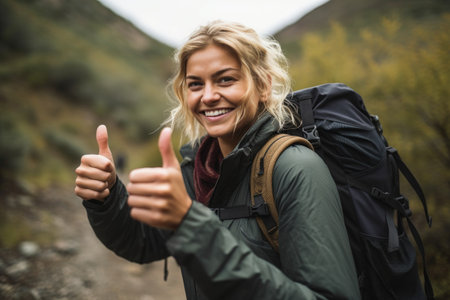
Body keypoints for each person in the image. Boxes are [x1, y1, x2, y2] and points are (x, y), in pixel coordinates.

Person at [75, 21, 361, 299]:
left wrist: (194, 229)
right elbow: (142, 243)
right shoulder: (199, 169)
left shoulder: (296, 168)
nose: (208, 96)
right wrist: (107, 195)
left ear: (263, 86)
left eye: (226, 79)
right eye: (195, 84)